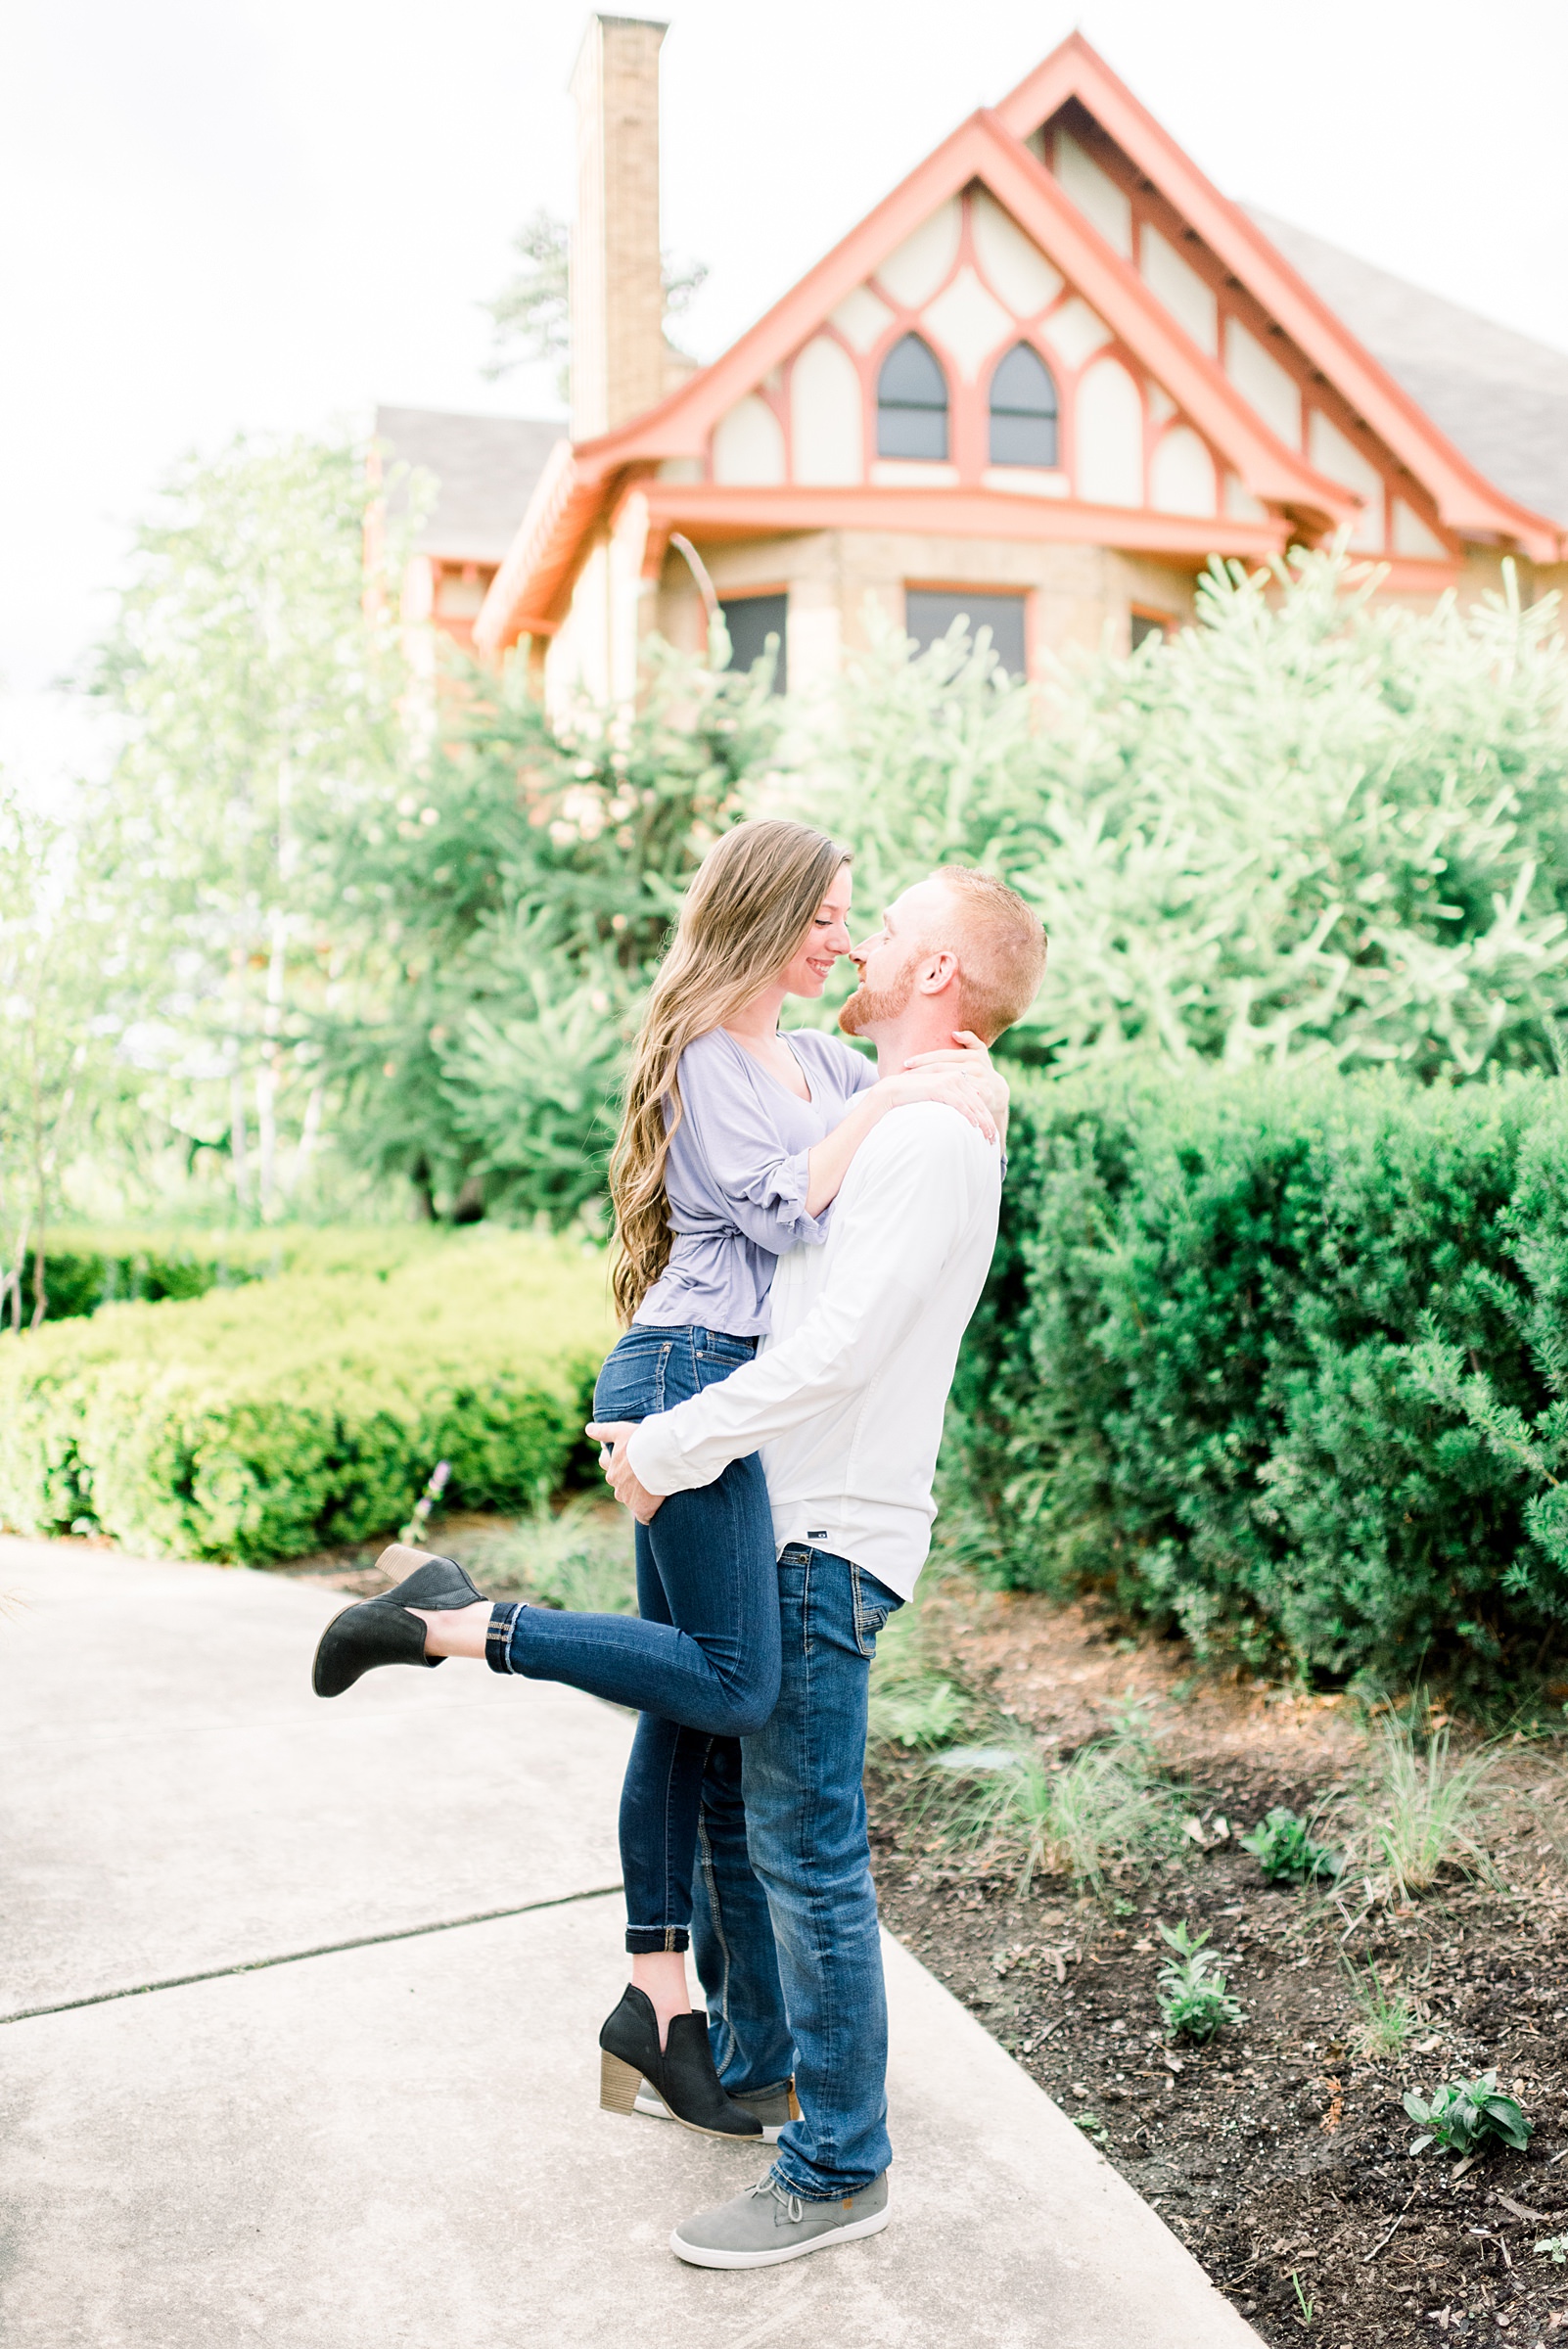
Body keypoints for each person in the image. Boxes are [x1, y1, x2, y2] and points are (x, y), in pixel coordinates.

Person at [310, 818, 1004, 2142]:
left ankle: (657, 2003)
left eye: (856, 918)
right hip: (685, 1376)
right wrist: (902, 1101)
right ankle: (455, 1623)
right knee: (732, 1682)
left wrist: (948, 1085)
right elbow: (789, 1207)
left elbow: (925, 1076)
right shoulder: (704, 1059)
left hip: (714, 1389)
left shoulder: (810, 1054)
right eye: (822, 918)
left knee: (689, 1710)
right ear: (760, 916)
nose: (843, 941)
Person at [590, 864, 1046, 2269]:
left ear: (933, 977)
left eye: (890, 925)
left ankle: (839, 2164)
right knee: (747, 1813)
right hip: (782, 1518)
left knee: (808, 1857)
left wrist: (672, 1441)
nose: (862, 939)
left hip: (818, 1537)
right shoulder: (879, 1101)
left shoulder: (923, 1145)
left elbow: (835, 1351)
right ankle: (750, 2063)